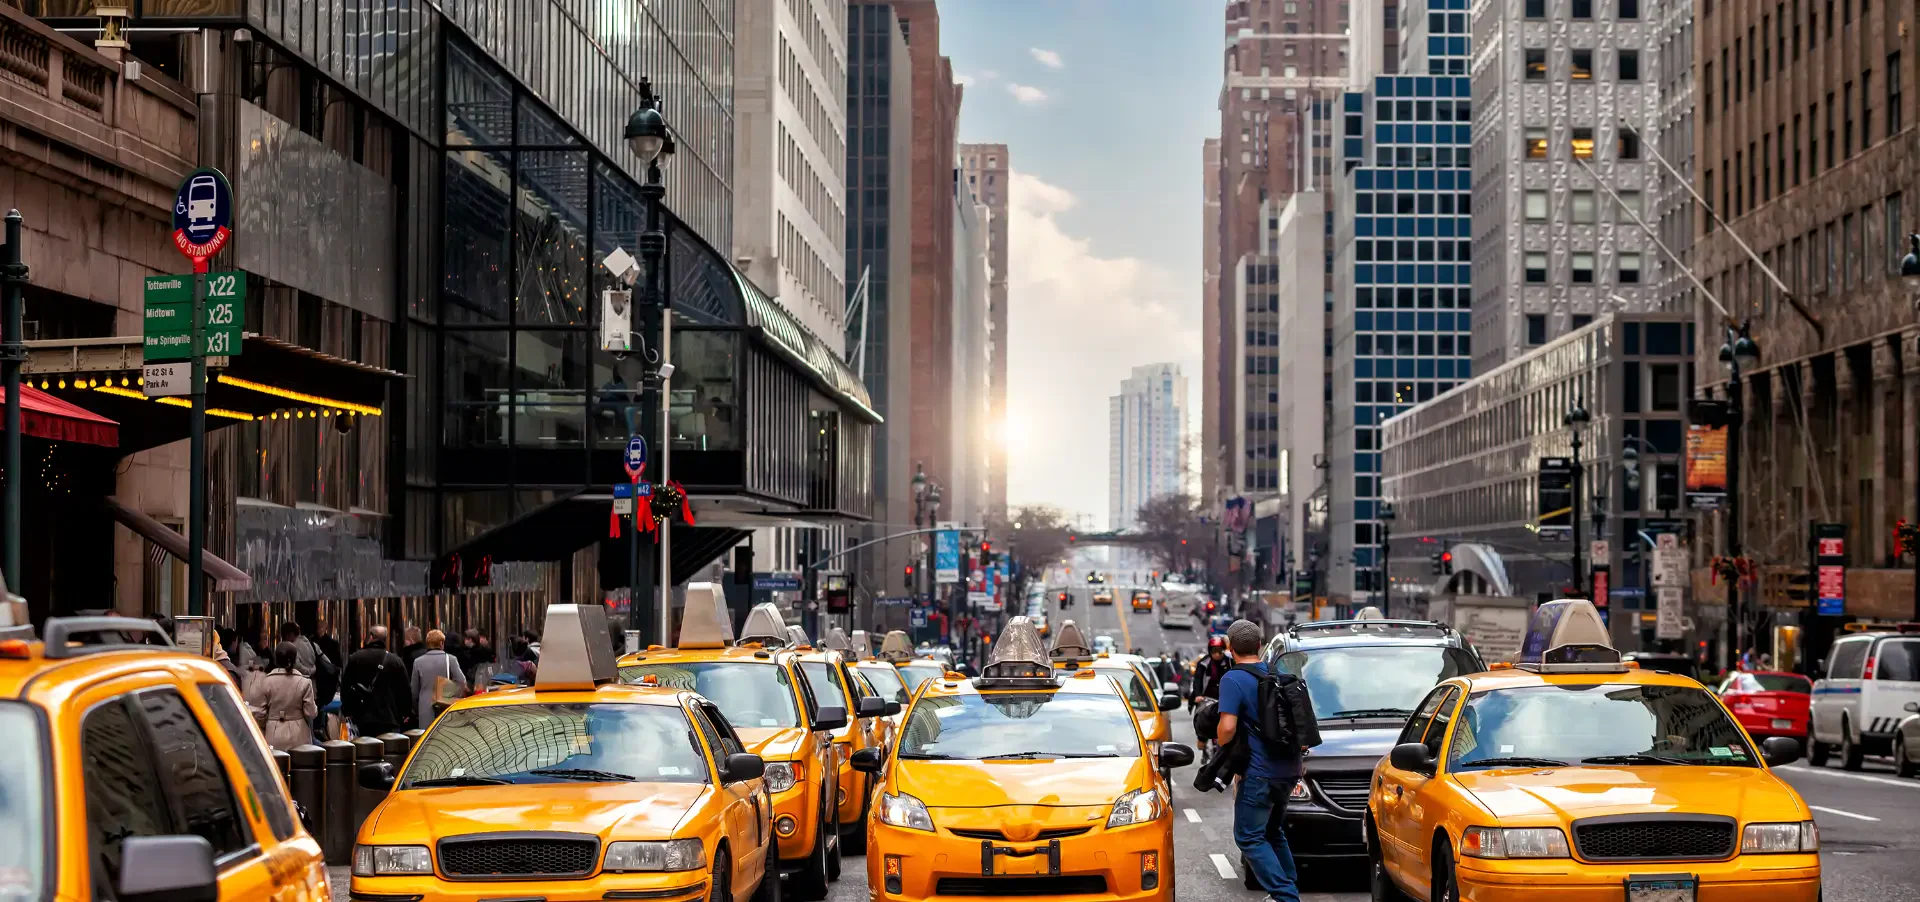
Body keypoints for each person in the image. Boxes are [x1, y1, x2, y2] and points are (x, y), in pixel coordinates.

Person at [1216, 620, 1304, 902]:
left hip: (1259, 772)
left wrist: (1220, 741)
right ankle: (1287, 887)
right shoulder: (1277, 674)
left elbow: (1227, 727)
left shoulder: (1233, 679)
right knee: (1271, 830)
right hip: (1288, 770)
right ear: (1260, 646)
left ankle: (1285, 895)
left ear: (1231, 649)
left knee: (1248, 836)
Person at [246, 642, 318, 751]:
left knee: (276, 765)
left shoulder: (265, 682)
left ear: (276, 660)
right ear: (295, 660)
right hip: (300, 737)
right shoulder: (304, 682)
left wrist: (269, 721)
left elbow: (259, 714)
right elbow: (311, 713)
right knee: (301, 767)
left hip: (273, 735)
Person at [341, 626, 410, 737]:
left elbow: (346, 686)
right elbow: (404, 691)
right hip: (389, 718)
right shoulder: (395, 661)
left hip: (362, 717)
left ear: (371, 637)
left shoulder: (356, 658)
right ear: (385, 639)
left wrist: (348, 711)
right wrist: (404, 713)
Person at [409, 629, 469, 728]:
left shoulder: (418, 662)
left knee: (426, 737)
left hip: (425, 707)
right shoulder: (451, 659)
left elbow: (414, 690)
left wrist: (417, 708)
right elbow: (462, 681)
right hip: (445, 705)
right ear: (441, 643)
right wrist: (452, 695)